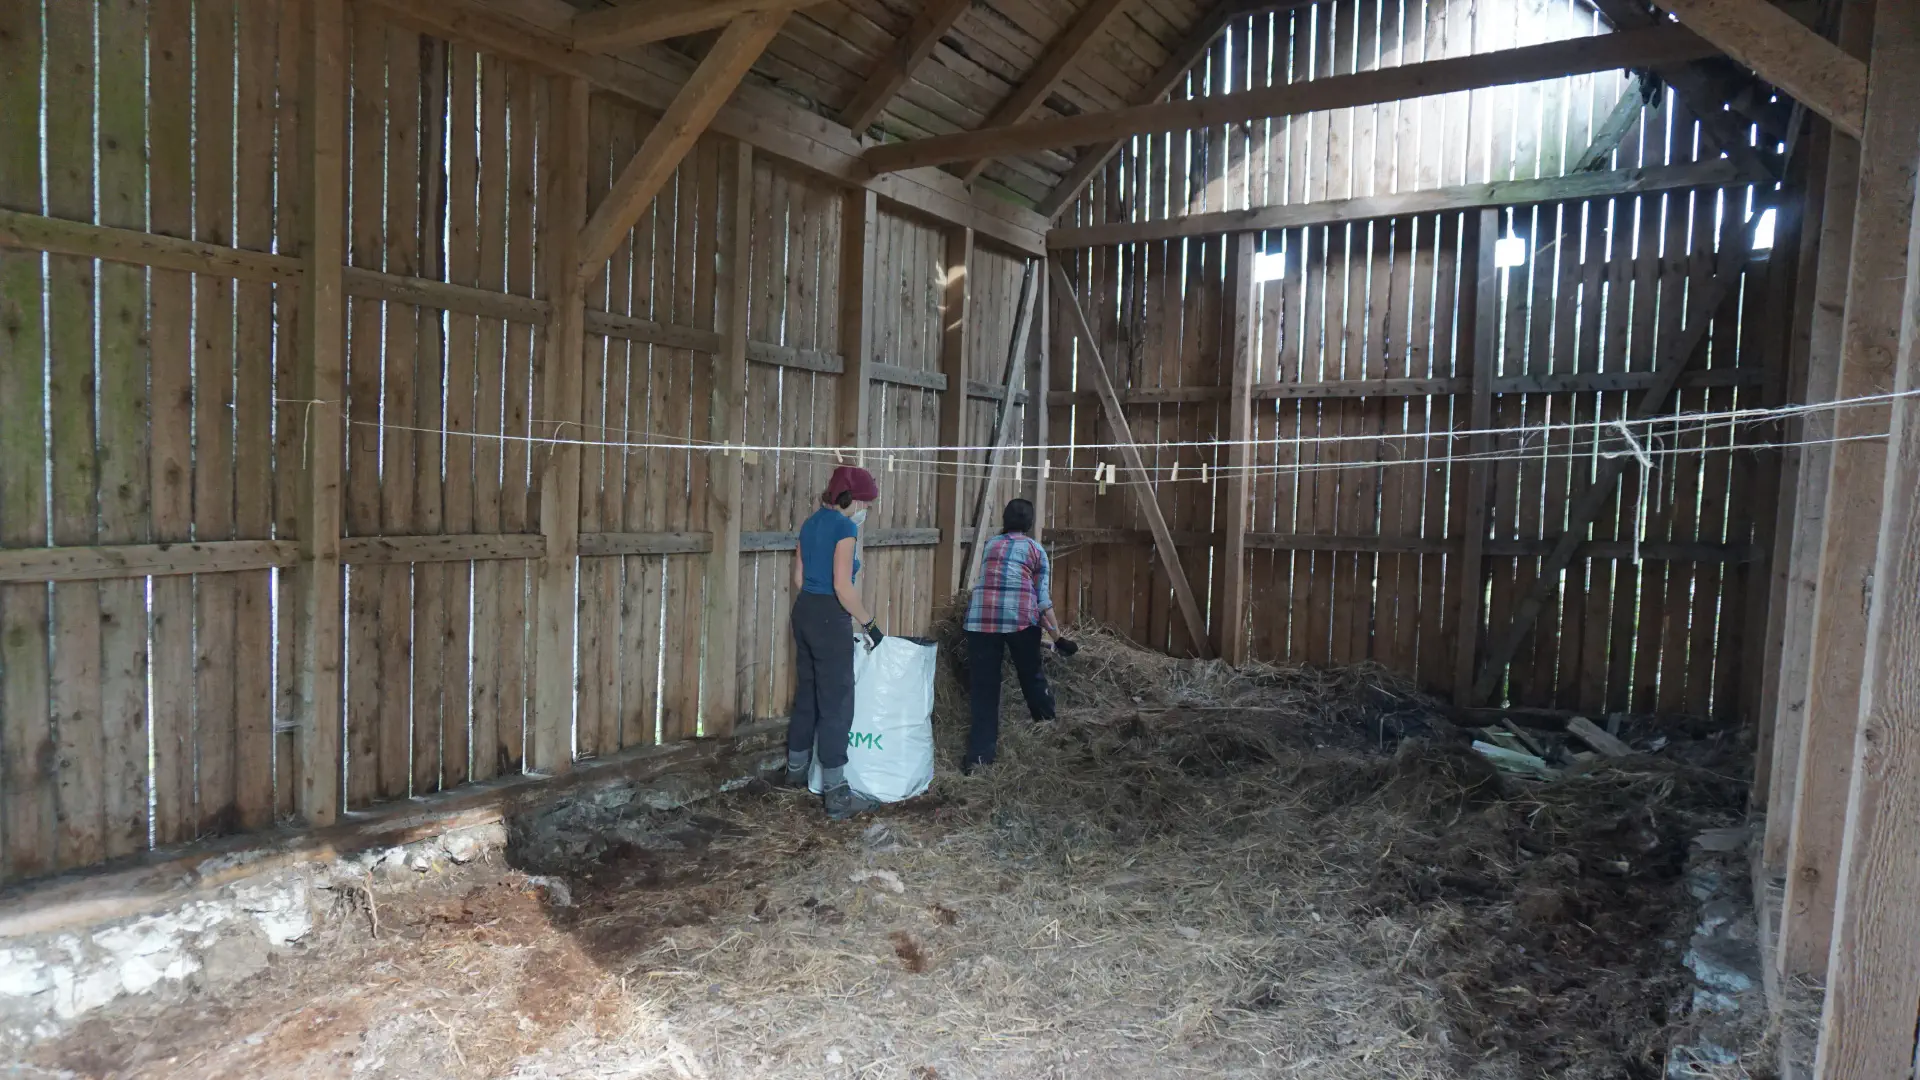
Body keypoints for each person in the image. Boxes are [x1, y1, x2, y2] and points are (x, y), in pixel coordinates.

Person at [786, 464, 885, 820]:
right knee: (837, 703)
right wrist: (869, 623)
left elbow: (799, 578)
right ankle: (836, 793)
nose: (866, 509)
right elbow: (843, 586)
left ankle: (795, 773)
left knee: (808, 694)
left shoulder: (810, 524)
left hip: (805, 612)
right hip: (830, 617)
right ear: (853, 499)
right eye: (866, 502)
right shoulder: (844, 528)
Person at [962, 498, 1068, 772]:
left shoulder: (990, 545)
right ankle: (1049, 731)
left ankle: (979, 760)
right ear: (1030, 523)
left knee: (985, 690)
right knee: (1031, 675)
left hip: (980, 620)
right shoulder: (1035, 550)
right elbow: (1042, 600)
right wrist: (1058, 638)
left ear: (1004, 519)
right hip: (1021, 620)